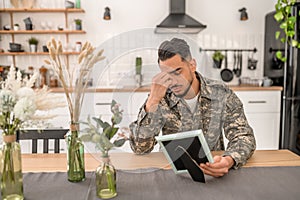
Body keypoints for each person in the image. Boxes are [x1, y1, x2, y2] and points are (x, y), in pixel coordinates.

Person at [129, 38, 256, 177]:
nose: (173, 81)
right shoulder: (160, 97)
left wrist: (229, 160)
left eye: (177, 72)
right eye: (166, 75)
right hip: (171, 173)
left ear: (192, 65)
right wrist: (152, 101)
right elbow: (139, 148)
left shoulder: (220, 93)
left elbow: (243, 136)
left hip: (212, 172)